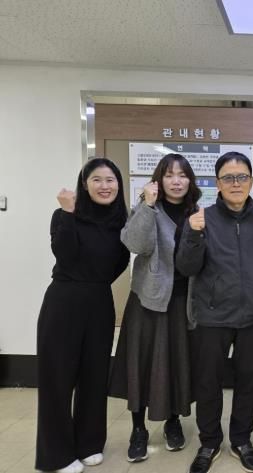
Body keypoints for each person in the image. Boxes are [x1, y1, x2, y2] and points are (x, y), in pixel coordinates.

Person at [176, 152, 253, 473]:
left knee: (248, 380)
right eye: (228, 178)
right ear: (217, 183)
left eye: (242, 177)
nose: (236, 183)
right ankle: (209, 442)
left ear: (251, 181)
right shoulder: (201, 218)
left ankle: (241, 440)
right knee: (208, 382)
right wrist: (193, 234)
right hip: (211, 316)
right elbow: (186, 267)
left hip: (252, 317)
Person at [36, 158, 129, 473]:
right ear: (84, 184)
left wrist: (96, 281)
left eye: (110, 180)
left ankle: (89, 443)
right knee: (58, 379)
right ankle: (57, 455)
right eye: (97, 180)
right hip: (64, 300)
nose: (105, 186)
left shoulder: (120, 221)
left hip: (100, 300)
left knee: (94, 375)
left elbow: (120, 263)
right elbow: (64, 254)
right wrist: (67, 213)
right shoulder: (65, 214)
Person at [109, 153, 201, 462]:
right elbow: (136, 245)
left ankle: (173, 421)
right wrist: (148, 206)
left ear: (190, 181)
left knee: (177, 362)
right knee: (141, 364)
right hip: (147, 301)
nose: (176, 181)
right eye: (169, 175)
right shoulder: (146, 208)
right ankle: (138, 429)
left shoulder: (197, 212)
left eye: (182, 175)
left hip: (182, 301)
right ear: (158, 180)